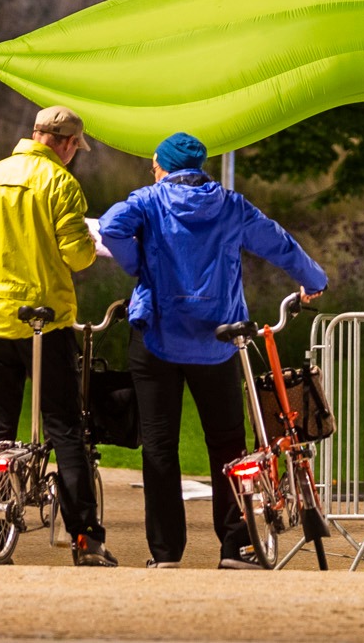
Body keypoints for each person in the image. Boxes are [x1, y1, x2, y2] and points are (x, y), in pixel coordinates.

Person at [99, 132, 328, 569]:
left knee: (159, 445)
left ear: (163, 166)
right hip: (220, 338)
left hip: (157, 337)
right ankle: (236, 546)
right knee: (228, 445)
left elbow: (111, 226)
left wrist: (135, 264)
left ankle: (166, 554)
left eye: (154, 164)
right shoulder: (230, 205)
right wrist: (313, 279)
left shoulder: (147, 201)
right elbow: (278, 242)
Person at [0, 105, 115, 567]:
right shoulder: (61, 183)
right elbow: (77, 256)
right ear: (66, 143)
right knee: (66, 428)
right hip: (45, 325)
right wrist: (90, 245)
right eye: (75, 148)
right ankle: (85, 539)